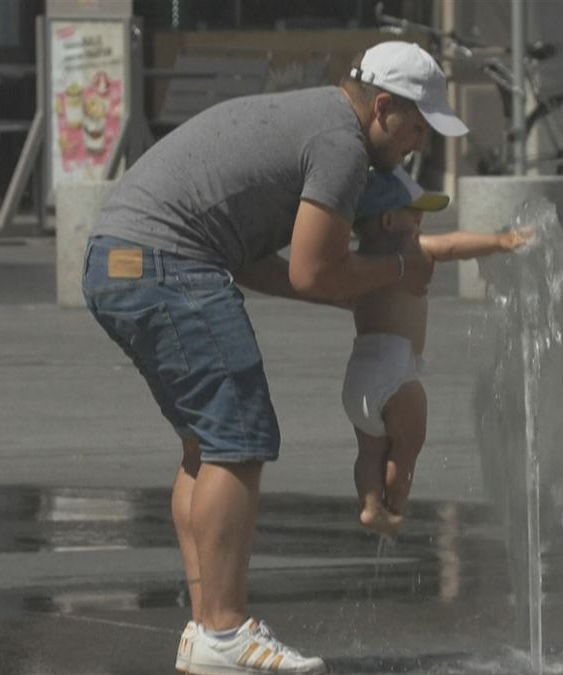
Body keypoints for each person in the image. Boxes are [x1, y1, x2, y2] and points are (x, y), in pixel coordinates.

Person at [81, 41, 467, 674]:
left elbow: (263, 261)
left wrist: (347, 292)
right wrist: (400, 267)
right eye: (418, 125)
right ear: (385, 107)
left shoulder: (313, 117)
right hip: (166, 265)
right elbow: (318, 272)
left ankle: (206, 628)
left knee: (206, 445)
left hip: (120, 259)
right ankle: (227, 632)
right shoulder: (342, 146)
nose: (419, 142)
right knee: (237, 438)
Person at [342, 167, 531, 538]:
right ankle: (394, 506)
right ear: (389, 218)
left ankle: (370, 506)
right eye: (416, 214)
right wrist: (501, 242)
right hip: (395, 369)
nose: (422, 222)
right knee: (407, 445)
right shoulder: (410, 251)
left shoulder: (358, 263)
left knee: (369, 452)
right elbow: (453, 246)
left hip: (358, 373)